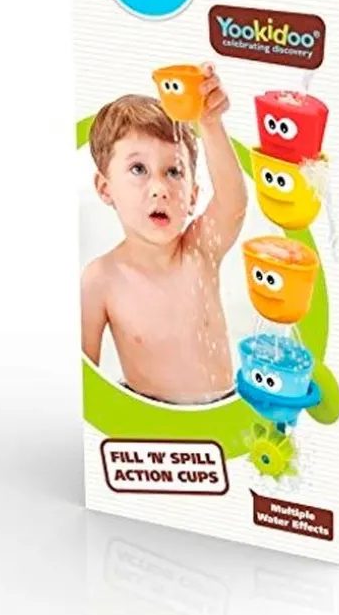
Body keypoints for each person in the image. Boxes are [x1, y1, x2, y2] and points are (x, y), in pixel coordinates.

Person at [80, 64, 247, 404]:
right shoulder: (100, 280)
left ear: (193, 197)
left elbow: (233, 203)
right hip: (148, 418)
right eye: (138, 169)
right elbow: (85, 383)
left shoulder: (198, 252)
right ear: (105, 187)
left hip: (220, 410)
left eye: (173, 171)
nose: (159, 188)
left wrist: (210, 124)